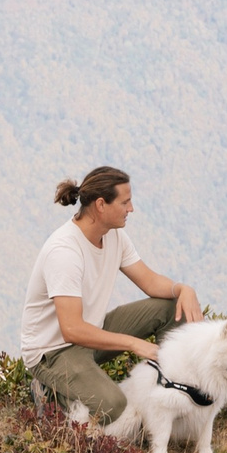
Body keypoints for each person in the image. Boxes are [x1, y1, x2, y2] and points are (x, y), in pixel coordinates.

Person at [19, 164, 203, 426]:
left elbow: (150, 282)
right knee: (115, 406)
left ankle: (170, 390)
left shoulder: (115, 236)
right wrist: (133, 343)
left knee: (171, 306)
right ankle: (50, 393)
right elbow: (71, 330)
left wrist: (183, 289)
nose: (131, 209)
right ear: (101, 205)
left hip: (92, 332)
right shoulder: (65, 252)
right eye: (125, 202)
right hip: (53, 352)